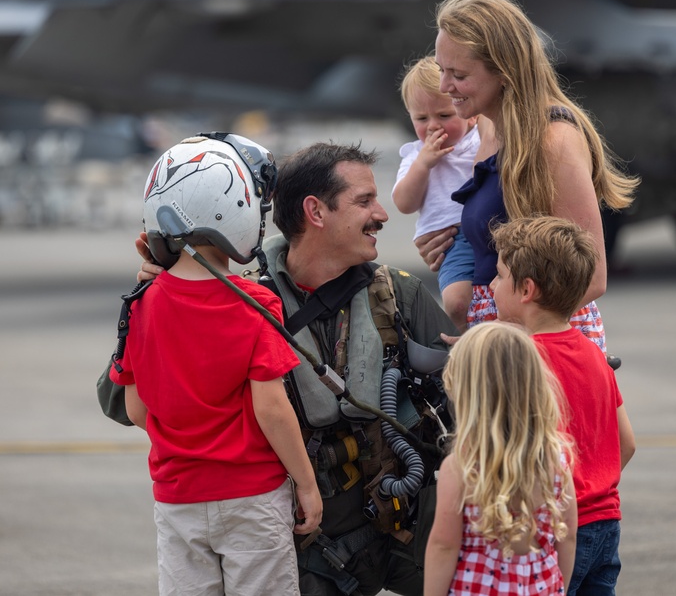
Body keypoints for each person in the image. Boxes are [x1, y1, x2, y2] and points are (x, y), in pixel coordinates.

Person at [134, 141, 460, 596]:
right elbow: (128, 401)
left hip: (402, 528)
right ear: (316, 212)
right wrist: (162, 299)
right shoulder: (242, 303)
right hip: (307, 544)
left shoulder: (399, 297)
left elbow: (478, 402)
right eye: (364, 201)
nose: (382, 215)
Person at [110, 133, 323, 596]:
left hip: (177, 499)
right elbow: (271, 408)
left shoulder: (141, 305)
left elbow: (136, 411)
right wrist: (306, 484)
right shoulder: (256, 303)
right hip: (252, 497)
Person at [420, 0, 639, 350]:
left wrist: (512, 338)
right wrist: (450, 243)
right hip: (502, 344)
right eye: (441, 70)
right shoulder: (490, 126)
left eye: (458, 74)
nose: (445, 87)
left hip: (539, 350)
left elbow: (593, 276)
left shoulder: (554, 140)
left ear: (504, 72)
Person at [490, 216, 636, 596]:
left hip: (556, 527)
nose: (491, 285)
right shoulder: (594, 353)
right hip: (607, 522)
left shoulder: (520, 360)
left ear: (526, 289)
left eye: (499, 275)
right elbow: (628, 443)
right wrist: (594, 486)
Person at [424, 321, 577, 596]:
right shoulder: (556, 460)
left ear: (468, 395)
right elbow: (568, 537)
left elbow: (443, 546)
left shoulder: (461, 468)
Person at [391, 55, 480, 331]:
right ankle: (463, 342)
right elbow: (404, 203)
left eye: (444, 115)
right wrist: (424, 165)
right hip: (451, 241)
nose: (432, 126)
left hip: (490, 229)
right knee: (456, 301)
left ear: (472, 114)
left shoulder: (479, 140)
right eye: (421, 118)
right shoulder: (415, 155)